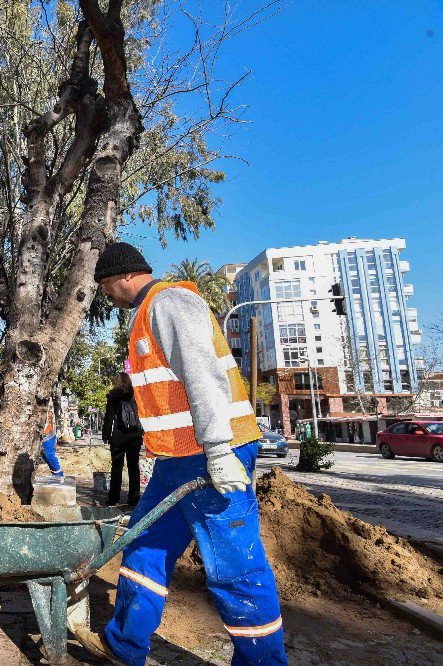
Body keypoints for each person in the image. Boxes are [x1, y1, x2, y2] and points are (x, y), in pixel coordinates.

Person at [75, 242, 287, 666]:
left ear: (121, 277)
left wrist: (218, 449)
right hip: (177, 460)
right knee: (144, 545)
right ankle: (124, 645)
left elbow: (202, 373)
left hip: (210, 454)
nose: (106, 296)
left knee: (233, 566)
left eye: (104, 288)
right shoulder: (147, 313)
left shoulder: (168, 302)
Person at [102, 372, 143, 506]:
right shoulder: (136, 394)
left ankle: (114, 498)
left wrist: (106, 435)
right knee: (133, 467)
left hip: (118, 438)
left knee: (117, 467)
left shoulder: (113, 396)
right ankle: (134, 498)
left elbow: (109, 417)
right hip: (135, 436)